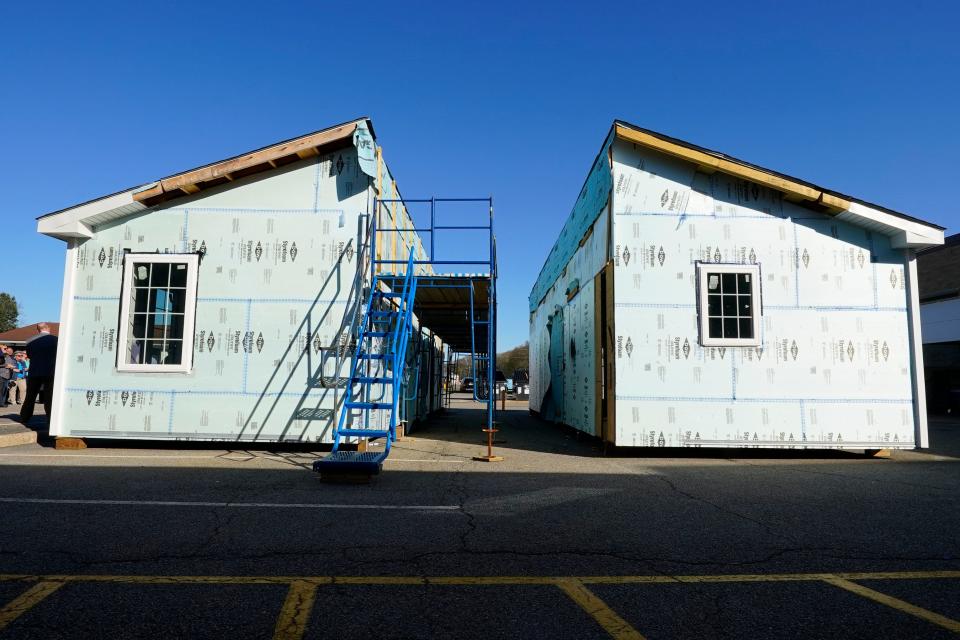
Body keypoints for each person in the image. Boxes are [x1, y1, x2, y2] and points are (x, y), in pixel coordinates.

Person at [21, 323, 57, 424]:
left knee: (30, 396)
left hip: (35, 371)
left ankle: (25, 417)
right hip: (51, 371)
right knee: (49, 396)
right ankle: (50, 419)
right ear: (48, 328)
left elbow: (29, 355)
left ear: (38, 330)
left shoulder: (30, 341)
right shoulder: (56, 340)